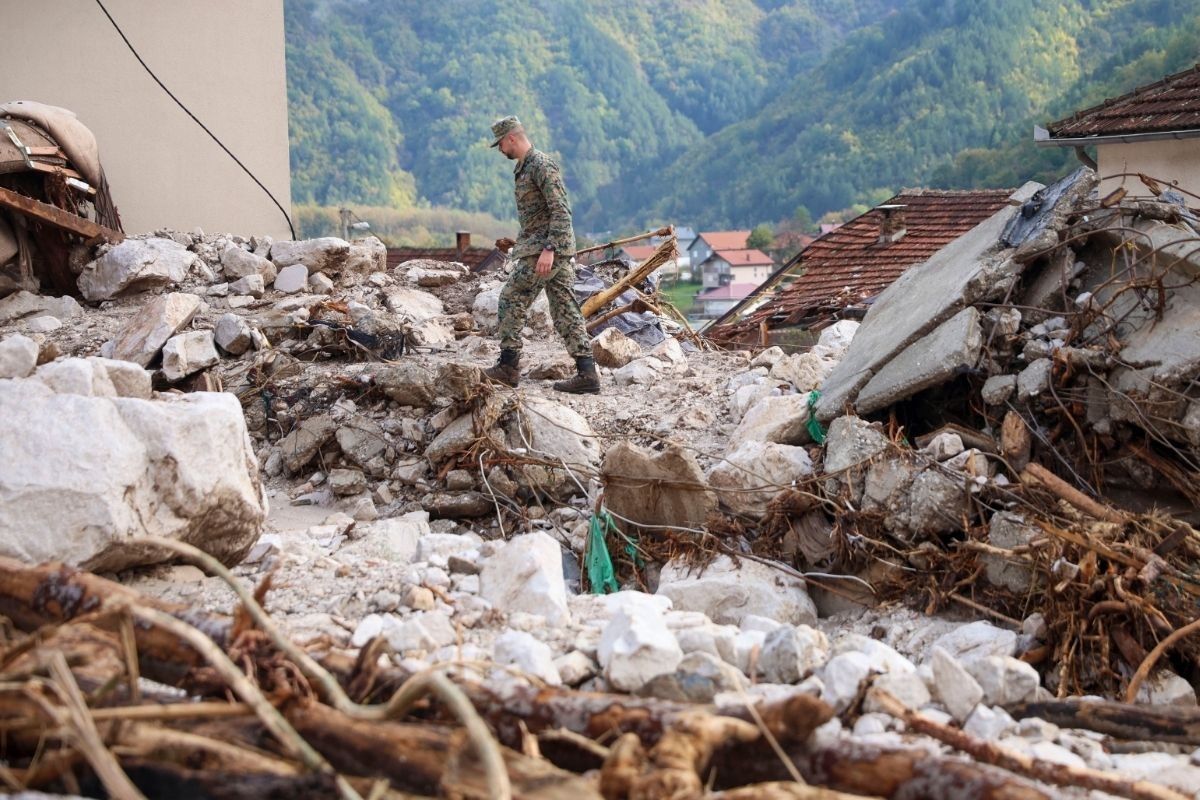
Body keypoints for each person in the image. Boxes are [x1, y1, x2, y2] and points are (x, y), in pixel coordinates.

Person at [483, 115, 599, 394]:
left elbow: (561, 210)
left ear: (511, 138)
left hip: (545, 251)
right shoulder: (526, 167)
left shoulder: (541, 165)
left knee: (511, 298)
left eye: (500, 143)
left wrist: (549, 250)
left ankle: (508, 366)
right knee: (565, 310)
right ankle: (587, 374)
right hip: (546, 248)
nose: (500, 150)